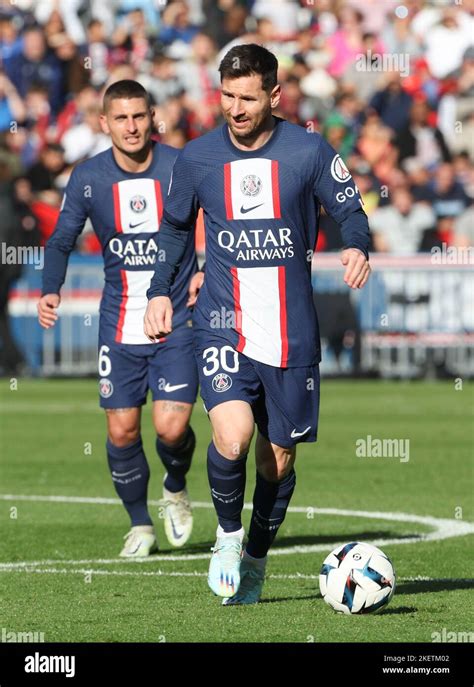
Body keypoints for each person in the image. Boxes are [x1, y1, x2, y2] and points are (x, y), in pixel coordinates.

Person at [144, 44, 371, 604]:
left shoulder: (309, 151)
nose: (235, 108)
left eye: (247, 97)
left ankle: (256, 559)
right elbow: (174, 231)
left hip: (291, 331)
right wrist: (158, 292)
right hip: (221, 321)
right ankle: (226, 536)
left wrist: (357, 246)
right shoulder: (197, 159)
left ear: (274, 96)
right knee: (233, 435)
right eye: (227, 96)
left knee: (278, 461)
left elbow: (350, 209)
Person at [38, 80, 202, 556]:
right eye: (121, 118)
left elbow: (219, 218)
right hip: (119, 323)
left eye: (139, 116)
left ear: (153, 118)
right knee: (121, 430)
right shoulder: (89, 177)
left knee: (171, 429)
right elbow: (61, 238)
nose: (132, 127)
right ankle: (140, 524)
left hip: (176, 320)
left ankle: (175, 486)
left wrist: (206, 272)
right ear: (104, 123)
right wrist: (51, 289)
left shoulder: (181, 166)